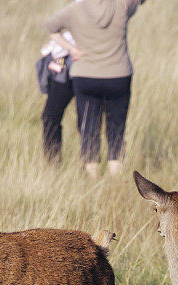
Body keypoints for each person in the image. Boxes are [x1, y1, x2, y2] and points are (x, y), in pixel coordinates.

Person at [44, 0, 144, 179]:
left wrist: (72, 49)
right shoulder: (122, 5)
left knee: (88, 128)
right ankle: (115, 180)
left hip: (85, 75)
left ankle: (93, 180)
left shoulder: (74, 9)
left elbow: (50, 27)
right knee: (116, 129)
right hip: (118, 75)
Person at [40, 27, 78, 163]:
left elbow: (50, 25)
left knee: (87, 120)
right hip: (64, 68)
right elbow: (51, 25)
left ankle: (89, 168)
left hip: (83, 68)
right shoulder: (77, 7)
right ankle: (52, 164)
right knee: (50, 117)